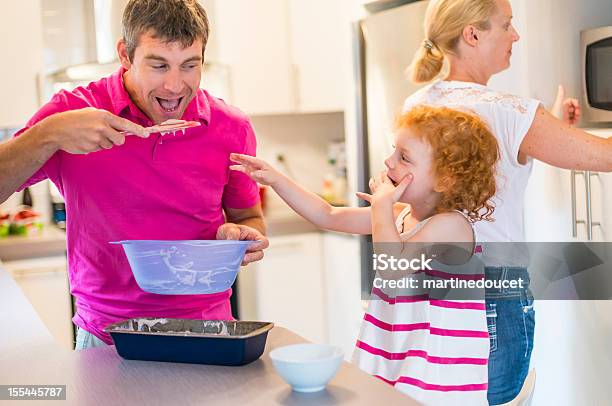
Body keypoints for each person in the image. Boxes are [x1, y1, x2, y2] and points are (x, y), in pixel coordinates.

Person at [0, 0, 268, 349]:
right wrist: (50, 132)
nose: (175, 86)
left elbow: (249, 216)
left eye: (190, 65)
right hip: (106, 337)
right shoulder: (71, 113)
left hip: (207, 331)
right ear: (125, 55)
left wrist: (242, 235)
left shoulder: (231, 127)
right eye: (159, 65)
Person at [405, 0, 612, 404]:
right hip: (494, 295)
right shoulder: (511, 111)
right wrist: (543, 130)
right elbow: (604, 155)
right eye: (507, 25)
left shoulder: (416, 106)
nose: (515, 36)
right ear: (473, 34)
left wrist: (546, 129)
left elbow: (475, 167)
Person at [231, 105, 500, 405]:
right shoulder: (401, 216)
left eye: (404, 157)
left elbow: (392, 266)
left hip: (437, 379)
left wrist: (381, 208)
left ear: (444, 180)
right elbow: (328, 215)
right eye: (393, 151)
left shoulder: (452, 227)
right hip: (397, 361)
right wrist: (275, 179)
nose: (388, 161)